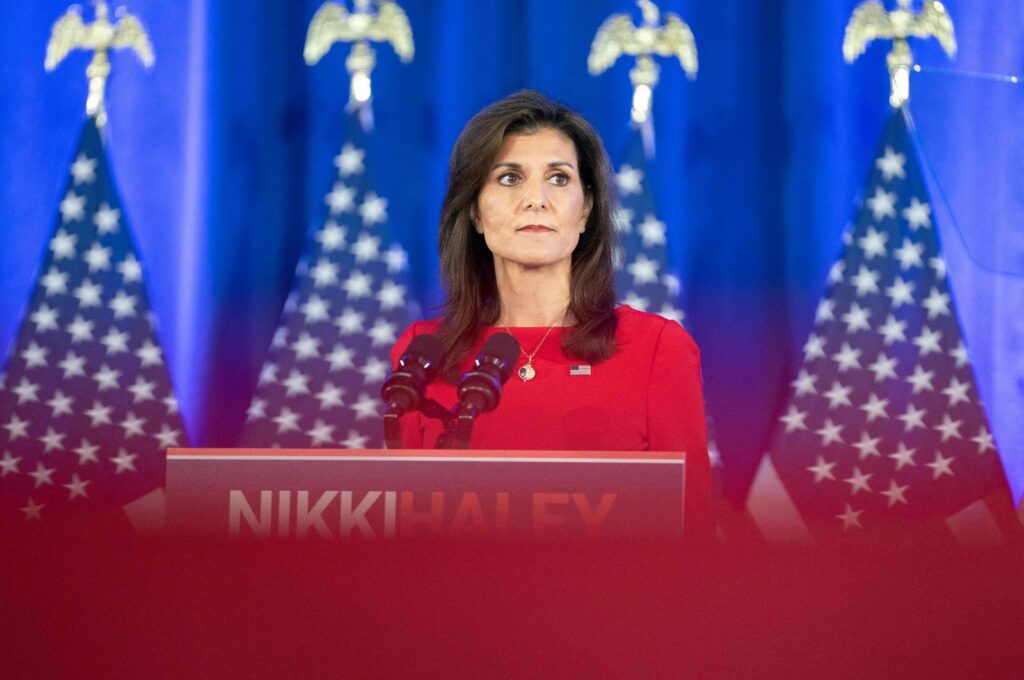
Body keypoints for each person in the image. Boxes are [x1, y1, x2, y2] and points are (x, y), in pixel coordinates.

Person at [390, 90, 707, 462]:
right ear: (474, 212)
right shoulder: (424, 355)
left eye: (558, 178)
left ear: (586, 210)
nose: (536, 199)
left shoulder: (656, 350)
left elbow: (689, 514)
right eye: (509, 178)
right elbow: (406, 512)